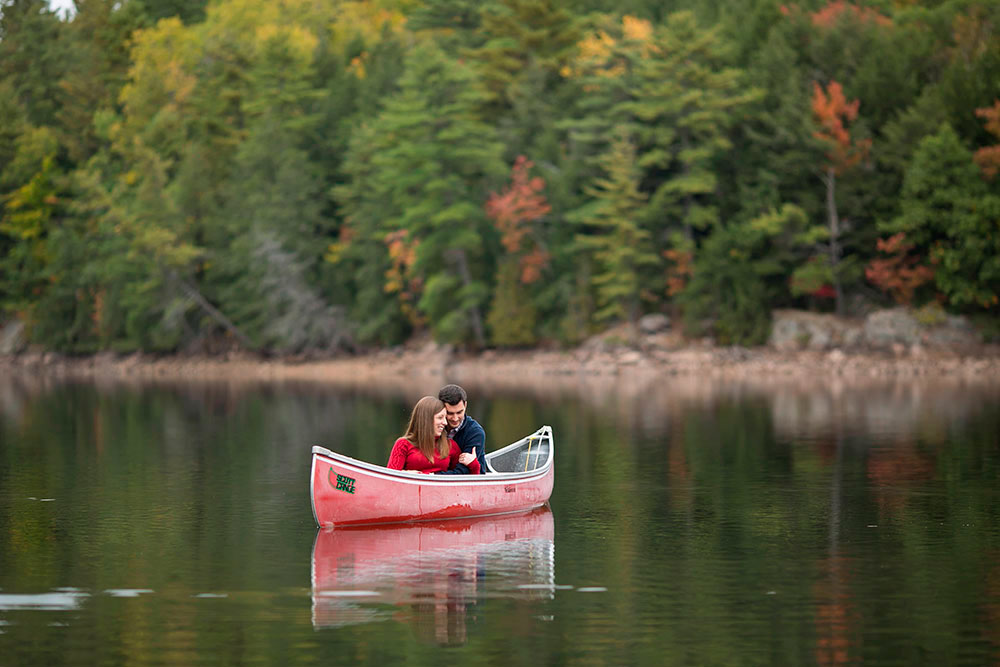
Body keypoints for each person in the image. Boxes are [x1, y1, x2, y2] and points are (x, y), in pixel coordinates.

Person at [387, 396, 480, 474]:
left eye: (445, 418)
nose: (445, 423)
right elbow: (390, 479)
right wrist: (405, 474)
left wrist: (474, 465)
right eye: (440, 418)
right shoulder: (403, 444)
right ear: (426, 420)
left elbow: (465, 481)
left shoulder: (450, 445)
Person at [438, 384, 488, 474]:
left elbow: (463, 473)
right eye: (450, 413)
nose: (455, 418)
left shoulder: (475, 433)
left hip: (470, 481)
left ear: (465, 405)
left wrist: (431, 475)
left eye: (459, 412)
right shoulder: (435, 427)